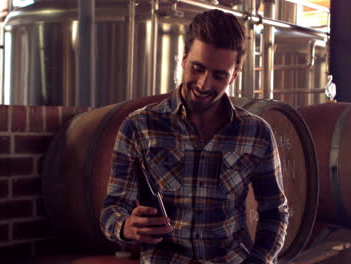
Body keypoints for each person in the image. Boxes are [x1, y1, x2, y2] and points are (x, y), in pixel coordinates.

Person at [100, 9, 289, 264]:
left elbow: (274, 213)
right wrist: (126, 226)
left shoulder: (257, 133)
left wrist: (259, 260)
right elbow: (112, 208)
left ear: (234, 75)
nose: (203, 84)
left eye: (219, 75)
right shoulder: (139, 126)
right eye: (197, 68)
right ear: (183, 59)